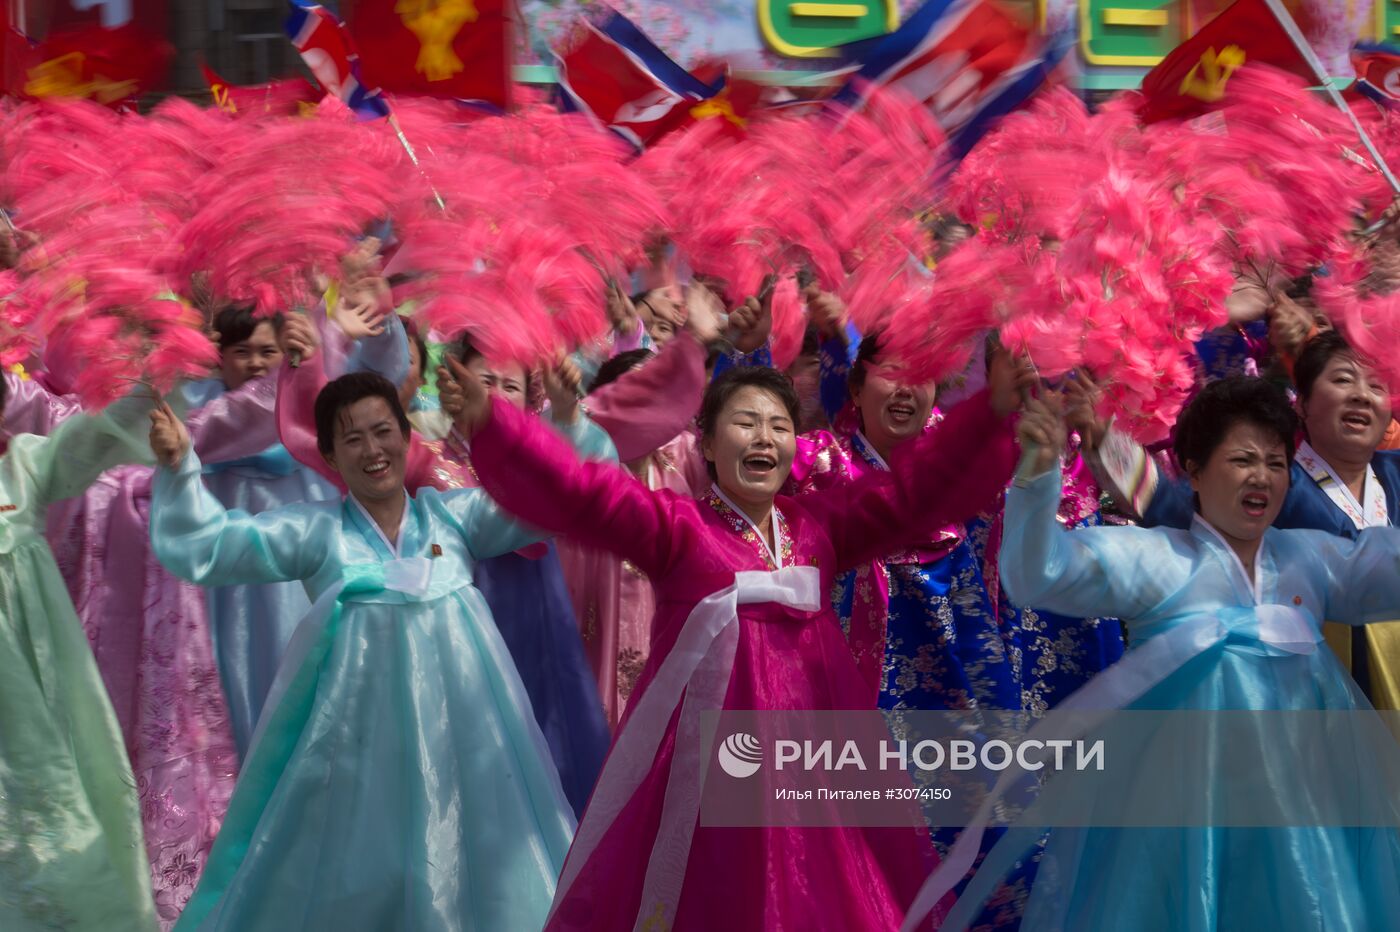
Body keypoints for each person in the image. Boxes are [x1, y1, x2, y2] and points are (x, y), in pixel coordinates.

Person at [449, 354, 1021, 930]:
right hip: (710, 774)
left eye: (778, 426)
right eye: (745, 422)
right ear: (707, 445)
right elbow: (585, 495)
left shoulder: (821, 527)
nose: (764, 438)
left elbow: (914, 493)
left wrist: (991, 412)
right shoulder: (677, 529)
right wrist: (495, 425)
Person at [904, 376, 1400, 932]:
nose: (1261, 475)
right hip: (1178, 821)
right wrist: (1038, 474)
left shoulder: (1310, 559)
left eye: (1276, 462)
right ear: (1192, 470)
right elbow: (1038, 574)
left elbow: (1389, 572)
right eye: (1241, 459)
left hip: (1301, 815)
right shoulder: (1157, 559)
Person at [150, 368, 573, 931]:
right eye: (352, 439)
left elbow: (555, 500)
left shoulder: (455, 518)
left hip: (468, 751)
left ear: (405, 436)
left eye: (383, 432)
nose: (372, 450)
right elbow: (213, 546)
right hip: (355, 755)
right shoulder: (318, 534)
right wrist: (181, 467)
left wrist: (567, 422)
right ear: (329, 454)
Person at [1087, 331, 1400, 708]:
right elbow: (1176, 508)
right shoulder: (1276, 483)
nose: (1361, 395)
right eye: (1343, 379)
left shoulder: (1395, 474)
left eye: (1377, 385)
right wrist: (1107, 439)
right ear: (1301, 403)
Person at [0, 382, 164, 931]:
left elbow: (92, 437)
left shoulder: (24, 465)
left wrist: (155, 382)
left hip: (38, 680)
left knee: (54, 802)